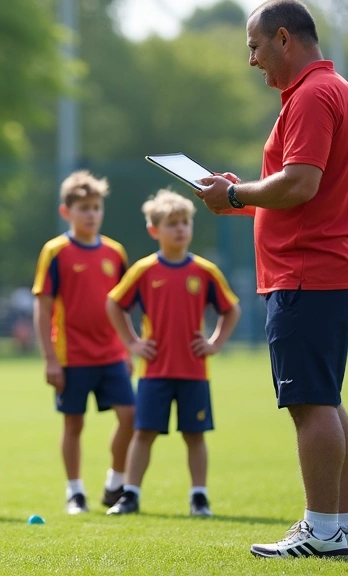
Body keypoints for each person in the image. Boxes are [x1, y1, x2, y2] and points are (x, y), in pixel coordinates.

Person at [196, 0, 348, 558]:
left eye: (254, 47)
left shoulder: (314, 96)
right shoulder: (337, 90)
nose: (252, 61)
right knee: (325, 399)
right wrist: (238, 195)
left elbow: (300, 184)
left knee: (310, 404)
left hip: (307, 274)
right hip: (329, 269)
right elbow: (298, 193)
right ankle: (342, 525)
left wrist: (235, 193)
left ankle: (321, 530)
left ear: (283, 40)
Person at [104, 190, 241, 518]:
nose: (180, 229)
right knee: (144, 433)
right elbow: (114, 303)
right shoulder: (143, 270)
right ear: (155, 230)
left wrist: (216, 343)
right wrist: (133, 343)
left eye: (185, 222)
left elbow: (230, 309)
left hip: (194, 370)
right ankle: (130, 495)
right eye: (172, 224)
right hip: (154, 371)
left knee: (195, 435)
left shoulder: (205, 271)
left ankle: (199, 497)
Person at [32, 170, 135, 515]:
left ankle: (114, 483)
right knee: (73, 423)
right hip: (71, 356)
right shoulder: (55, 252)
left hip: (111, 354)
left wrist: (129, 346)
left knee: (130, 416)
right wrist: (50, 358)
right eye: (84, 208)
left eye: (96, 207)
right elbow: (43, 309)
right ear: (67, 212)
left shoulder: (115, 252)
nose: (91, 214)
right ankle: (75, 492)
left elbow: (122, 306)